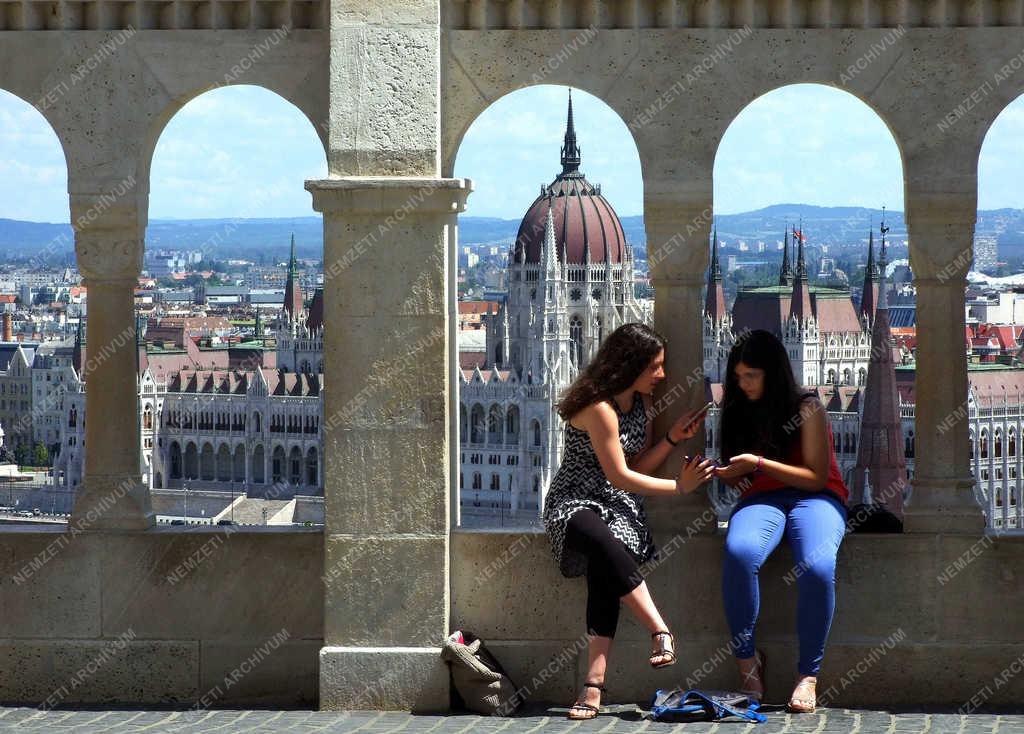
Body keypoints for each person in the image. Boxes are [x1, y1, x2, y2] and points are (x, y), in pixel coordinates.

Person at [542, 322, 717, 720]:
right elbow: (618, 475)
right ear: (629, 366)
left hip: (618, 505)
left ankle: (593, 683)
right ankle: (659, 629)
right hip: (575, 500)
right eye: (654, 366)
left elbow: (635, 465)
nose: (662, 375)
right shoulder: (599, 408)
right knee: (600, 541)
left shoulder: (641, 406)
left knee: (608, 558)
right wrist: (679, 487)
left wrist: (670, 439)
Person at [713, 329, 849, 714]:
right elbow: (746, 478)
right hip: (763, 499)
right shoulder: (739, 407)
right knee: (739, 553)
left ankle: (808, 674)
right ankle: (746, 661)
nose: (742, 384)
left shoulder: (807, 407)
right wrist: (725, 473)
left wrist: (757, 463)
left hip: (816, 499)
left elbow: (816, 477)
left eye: (750, 376)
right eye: (737, 377)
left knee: (819, 566)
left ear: (772, 372)